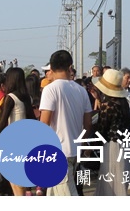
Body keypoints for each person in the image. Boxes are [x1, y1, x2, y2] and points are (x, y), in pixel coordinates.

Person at [39, 49, 93, 196]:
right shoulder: (81, 90)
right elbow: (88, 123)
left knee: (67, 194)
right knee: (54, 193)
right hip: (75, 150)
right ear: (70, 67)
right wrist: (83, 142)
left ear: (51, 67)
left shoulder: (50, 89)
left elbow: (44, 123)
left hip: (59, 151)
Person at [0, 67, 35, 196]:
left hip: (14, 139)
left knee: (14, 177)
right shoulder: (27, 97)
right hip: (26, 139)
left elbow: (2, 121)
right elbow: (32, 119)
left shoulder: (10, 97)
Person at [92, 68, 130, 195]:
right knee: (119, 178)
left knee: (109, 178)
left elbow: (102, 128)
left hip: (110, 144)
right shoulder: (123, 101)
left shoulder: (107, 104)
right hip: (123, 143)